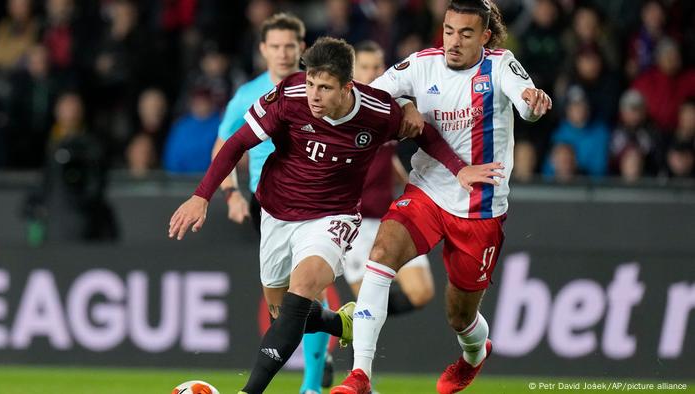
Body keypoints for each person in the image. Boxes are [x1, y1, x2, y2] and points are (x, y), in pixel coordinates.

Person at [168, 36, 492, 394]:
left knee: (303, 289)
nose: (314, 95)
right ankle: (341, 324)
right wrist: (202, 196)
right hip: (277, 212)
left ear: (347, 88)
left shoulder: (378, 112)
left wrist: (459, 169)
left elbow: (425, 134)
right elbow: (237, 143)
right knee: (284, 315)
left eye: (324, 87)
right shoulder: (289, 98)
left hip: (332, 217)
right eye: (310, 83)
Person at [332, 1, 552, 393]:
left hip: (480, 208)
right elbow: (372, 94)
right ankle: (361, 374)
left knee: (460, 316)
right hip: (427, 190)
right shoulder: (421, 64)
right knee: (380, 255)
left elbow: (525, 102)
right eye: (449, 31)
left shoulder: (500, 65)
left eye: (466, 34)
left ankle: (474, 354)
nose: (454, 41)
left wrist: (534, 103)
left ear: (484, 36)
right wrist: (403, 103)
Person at [210, 13, 333, 393]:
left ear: (303, 48)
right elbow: (223, 148)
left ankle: (310, 385)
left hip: (314, 202)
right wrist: (231, 194)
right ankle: (333, 329)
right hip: (268, 205)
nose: (282, 54)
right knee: (283, 307)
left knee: (306, 287)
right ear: (263, 49)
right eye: (275, 46)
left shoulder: (321, 91)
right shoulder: (247, 95)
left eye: (290, 46)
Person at [344, 40, 434, 318]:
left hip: (391, 217)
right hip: (355, 225)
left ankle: (358, 319)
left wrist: (409, 185)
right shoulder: (343, 112)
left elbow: (388, 154)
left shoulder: (393, 107)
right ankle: (357, 331)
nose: (372, 73)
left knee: (421, 292)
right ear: (352, 72)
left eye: (377, 66)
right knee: (367, 303)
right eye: (365, 67)